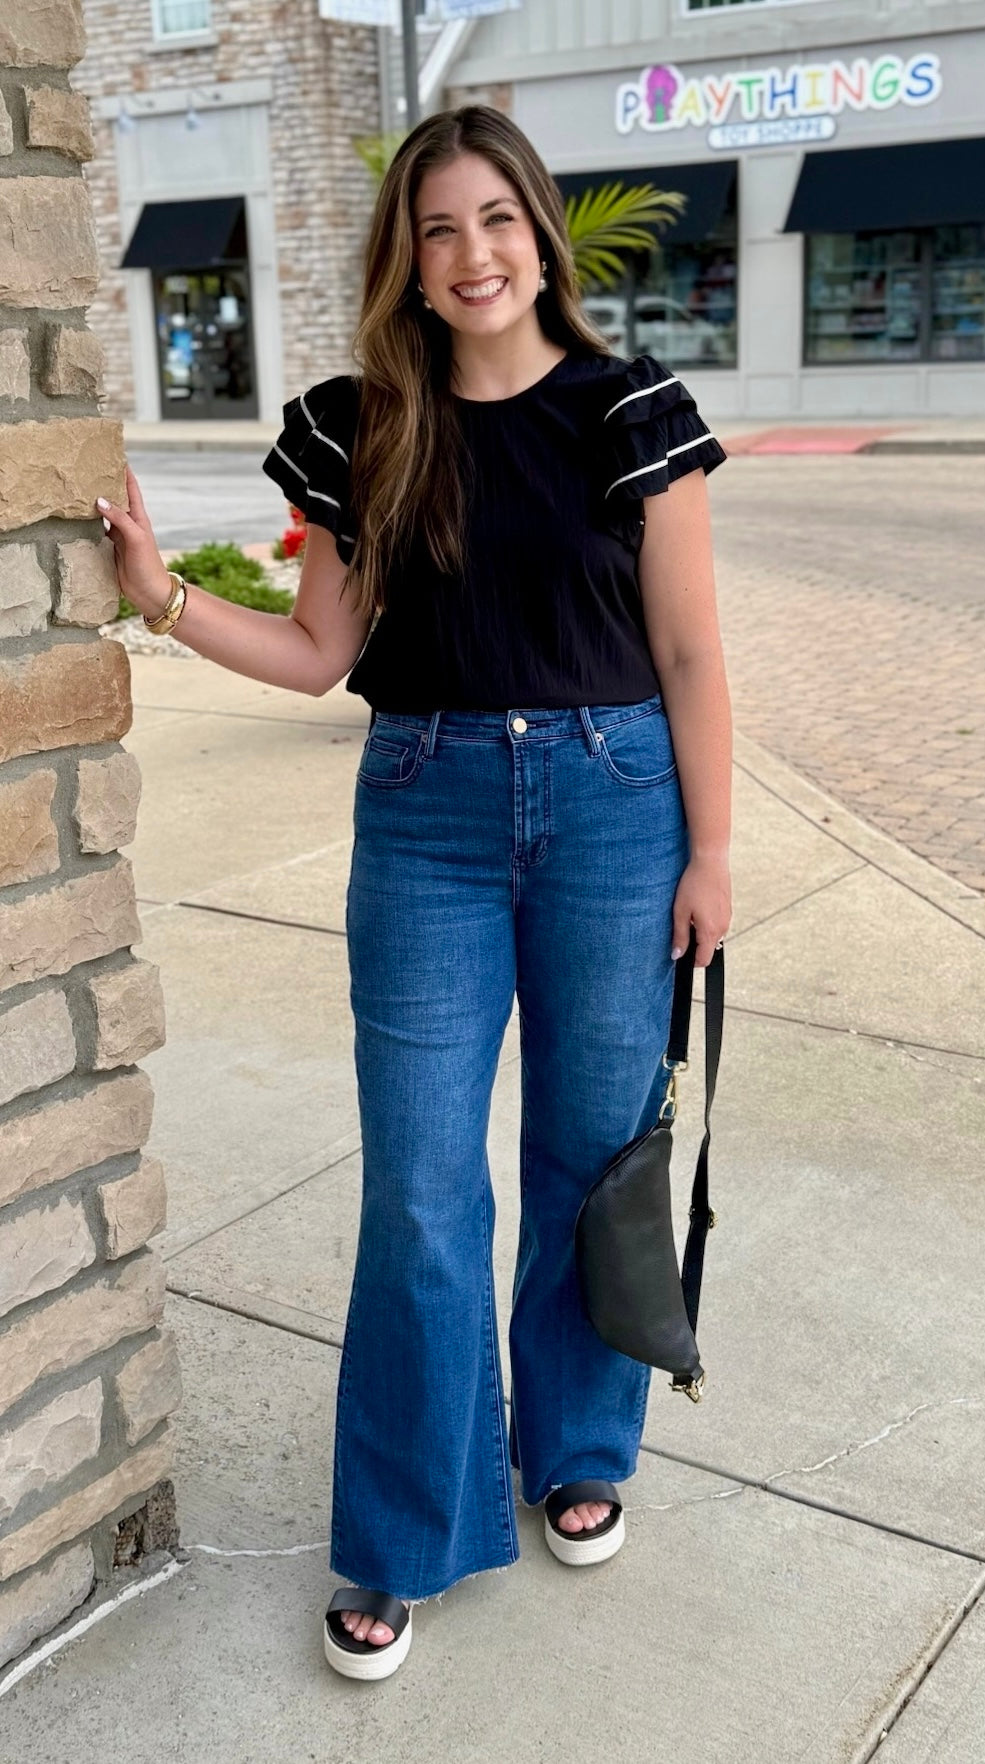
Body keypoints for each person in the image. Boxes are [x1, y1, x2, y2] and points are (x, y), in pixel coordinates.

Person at [97, 103, 733, 1684]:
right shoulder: (359, 424)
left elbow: (692, 656)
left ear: (542, 233)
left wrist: (714, 853)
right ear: (407, 254)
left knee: (591, 1152)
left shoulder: (630, 410)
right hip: (426, 813)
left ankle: (579, 1447)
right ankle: (405, 1527)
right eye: (438, 228)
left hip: (614, 804)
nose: (473, 255)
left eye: (497, 220)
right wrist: (161, 598)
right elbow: (322, 653)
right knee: (422, 1187)